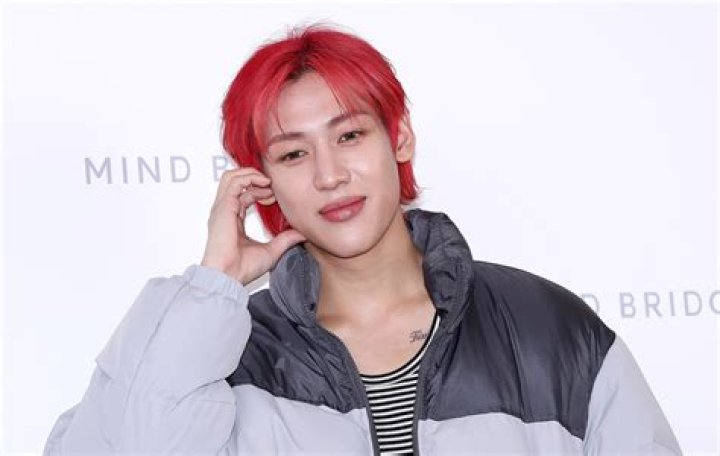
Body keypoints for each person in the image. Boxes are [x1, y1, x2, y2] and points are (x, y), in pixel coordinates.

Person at [45, 23, 681, 455]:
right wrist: (212, 286)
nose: (329, 175)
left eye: (350, 136)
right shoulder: (224, 358)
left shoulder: (549, 331)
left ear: (398, 138)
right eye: (293, 154)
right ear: (262, 182)